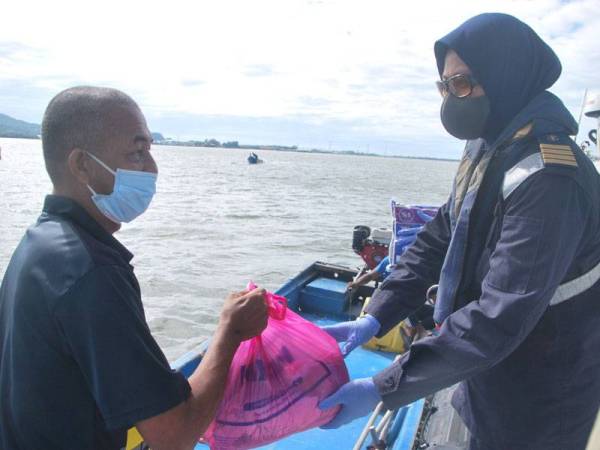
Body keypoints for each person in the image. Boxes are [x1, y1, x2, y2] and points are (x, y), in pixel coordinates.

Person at [319, 13, 600, 450]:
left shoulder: (551, 179)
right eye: (445, 86)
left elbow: (498, 316)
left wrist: (383, 386)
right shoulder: (489, 148)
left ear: (504, 77)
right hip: (481, 368)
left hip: (541, 393)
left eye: (462, 84)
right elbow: (441, 235)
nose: (451, 98)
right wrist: (377, 312)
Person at [0, 86, 268, 450]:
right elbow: (174, 435)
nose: (152, 169)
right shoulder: (92, 273)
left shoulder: (39, 243)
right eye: (137, 152)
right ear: (82, 165)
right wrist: (230, 332)